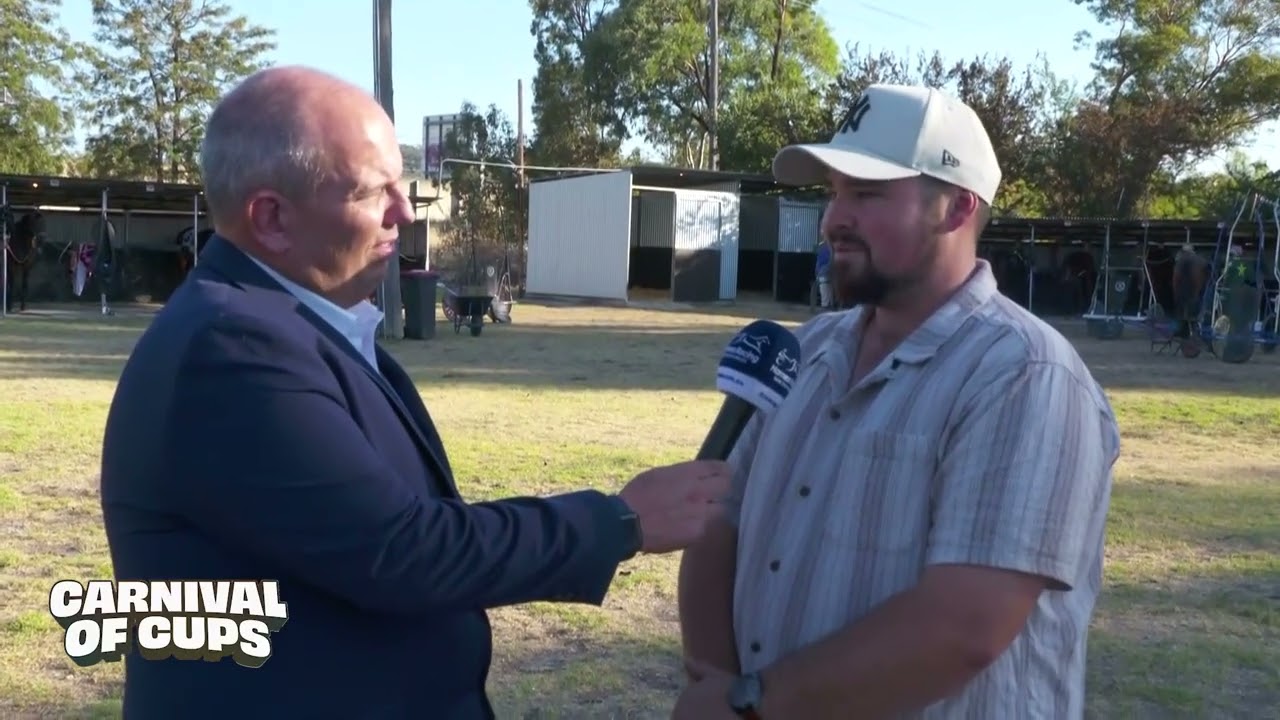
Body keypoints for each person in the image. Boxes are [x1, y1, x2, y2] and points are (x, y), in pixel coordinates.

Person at [98, 65, 731, 719]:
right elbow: (398, 550)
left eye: (402, 184)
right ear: (273, 218)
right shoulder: (230, 347)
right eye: (376, 193)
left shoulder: (289, 323)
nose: (405, 211)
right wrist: (616, 522)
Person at [674, 83, 1121, 719]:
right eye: (834, 192)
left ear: (958, 209)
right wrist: (713, 681)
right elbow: (719, 522)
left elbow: (964, 627)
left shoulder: (1027, 377)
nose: (834, 219)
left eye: (867, 193)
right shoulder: (803, 352)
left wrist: (752, 705)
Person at [814, 237, 833, 310]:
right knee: (827, 287)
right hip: (826, 271)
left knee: (825, 287)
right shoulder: (827, 248)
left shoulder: (823, 247)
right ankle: (828, 304)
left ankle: (826, 304)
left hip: (824, 271)